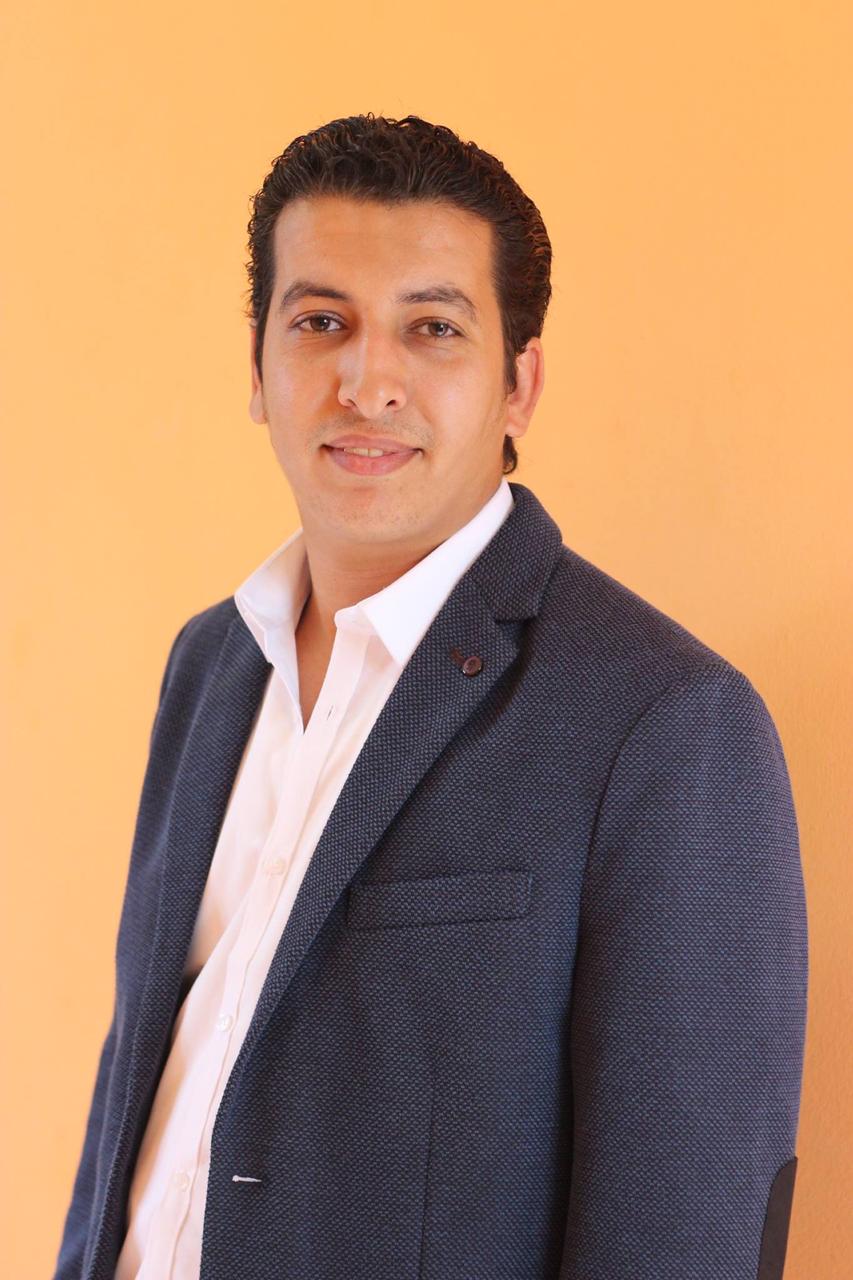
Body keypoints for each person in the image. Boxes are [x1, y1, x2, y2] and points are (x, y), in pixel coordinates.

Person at [53, 113, 808, 1280]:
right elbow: (143, 1107)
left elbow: (682, 1231)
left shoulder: (664, 724)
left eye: (432, 327)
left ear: (519, 384)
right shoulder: (211, 664)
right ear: (256, 366)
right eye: (321, 322)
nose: (367, 382)